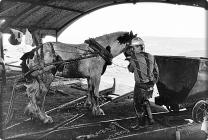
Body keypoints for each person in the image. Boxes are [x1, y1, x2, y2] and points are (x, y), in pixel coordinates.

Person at [125, 37, 159, 129]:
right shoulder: (151, 56)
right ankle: (151, 120)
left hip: (140, 86)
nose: (132, 49)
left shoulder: (134, 58)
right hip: (150, 84)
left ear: (139, 47)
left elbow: (130, 69)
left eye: (134, 47)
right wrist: (152, 83)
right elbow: (156, 72)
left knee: (138, 104)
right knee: (145, 101)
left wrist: (130, 61)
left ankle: (141, 125)